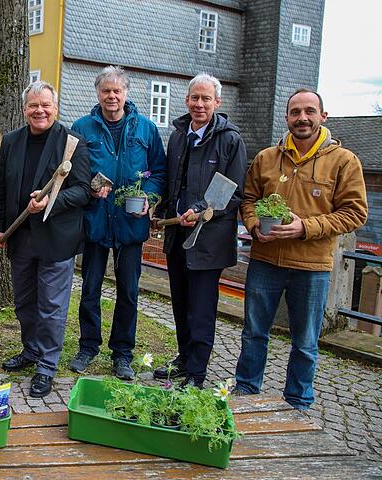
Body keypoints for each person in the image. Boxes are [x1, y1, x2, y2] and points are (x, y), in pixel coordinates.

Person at [234, 89, 367, 409]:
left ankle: (298, 402)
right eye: (295, 112)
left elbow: (355, 213)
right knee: (253, 333)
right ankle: (246, 392)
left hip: (311, 266)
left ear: (324, 116)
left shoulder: (343, 161)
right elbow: (248, 200)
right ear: (287, 117)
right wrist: (253, 225)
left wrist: (304, 227)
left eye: (309, 111)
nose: (302, 117)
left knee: (305, 342)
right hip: (265, 260)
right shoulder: (267, 158)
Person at [0, 81, 91, 398]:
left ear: (55, 107)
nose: (40, 110)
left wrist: (52, 201)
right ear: (24, 110)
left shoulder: (71, 143)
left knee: (51, 307)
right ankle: (30, 350)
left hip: (56, 239)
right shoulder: (11, 142)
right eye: (33, 105)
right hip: (20, 237)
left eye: (45, 105)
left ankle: (46, 367)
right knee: (24, 303)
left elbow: (83, 189)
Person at [69, 66, 167, 378]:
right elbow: (71, 170)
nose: (112, 96)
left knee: (128, 291)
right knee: (90, 289)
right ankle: (88, 346)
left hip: (130, 224)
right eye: (106, 91)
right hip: (96, 222)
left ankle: (122, 353)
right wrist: (89, 189)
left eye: (117, 91)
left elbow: (159, 171)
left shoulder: (146, 129)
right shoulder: (83, 127)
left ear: (125, 93)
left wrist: (149, 198)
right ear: (97, 94)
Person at [151, 73, 246, 389]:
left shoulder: (230, 139)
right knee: (180, 302)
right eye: (195, 97)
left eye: (206, 98)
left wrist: (203, 209)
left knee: (201, 309)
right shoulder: (179, 136)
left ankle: (197, 372)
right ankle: (184, 358)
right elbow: (172, 183)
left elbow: (232, 193)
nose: (200, 104)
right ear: (186, 100)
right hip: (177, 235)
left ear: (217, 103)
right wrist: (160, 209)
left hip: (209, 240)